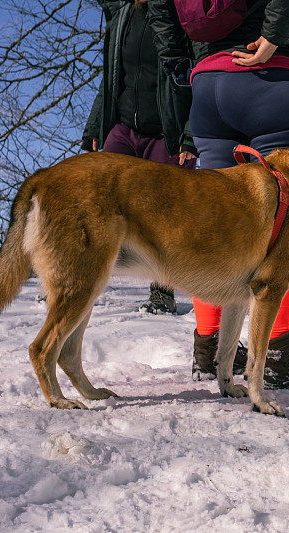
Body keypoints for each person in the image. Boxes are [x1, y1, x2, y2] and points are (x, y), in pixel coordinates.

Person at [149, 0, 289, 388]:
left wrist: (185, 65)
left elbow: (160, 8)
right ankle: (279, 352)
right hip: (280, 76)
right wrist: (275, 35)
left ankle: (209, 348)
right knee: (287, 222)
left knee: (216, 223)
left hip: (210, 83)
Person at [82, 0, 196, 314]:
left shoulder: (181, 14)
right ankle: (81, 283)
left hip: (167, 131)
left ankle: (163, 291)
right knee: (99, 200)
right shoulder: (123, 16)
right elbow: (112, 76)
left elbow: (198, 77)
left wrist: (190, 136)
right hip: (123, 127)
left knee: (165, 213)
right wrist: (96, 125)